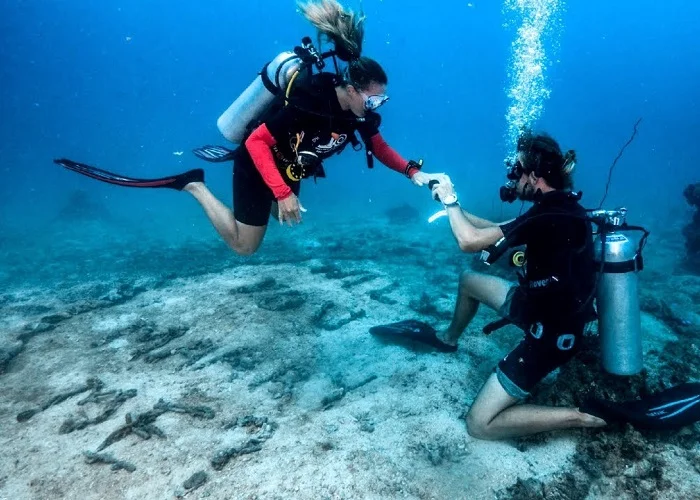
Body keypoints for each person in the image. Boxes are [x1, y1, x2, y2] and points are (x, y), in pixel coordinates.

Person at [54, 0, 439, 256]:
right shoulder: (309, 103)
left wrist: (413, 172)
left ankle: (273, 197)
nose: (377, 107)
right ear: (351, 89)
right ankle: (194, 185)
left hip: (288, 167)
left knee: (280, 217)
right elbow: (256, 142)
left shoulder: (358, 115)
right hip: (258, 165)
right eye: (373, 99)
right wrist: (282, 191)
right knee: (245, 247)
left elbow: (381, 146)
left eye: (381, 101)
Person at [426, 131, 607, 440]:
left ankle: (582, 417)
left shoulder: (549, 213)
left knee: (479, 425)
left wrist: (451, 200)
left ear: (534, 175)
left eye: (516, 171)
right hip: (535, 305)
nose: (512, 179)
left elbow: (468, 241)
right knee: (469, 281)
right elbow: (500, 229)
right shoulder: (557, 207)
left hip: (552, 335)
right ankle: (448, 339)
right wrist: (453, 211)